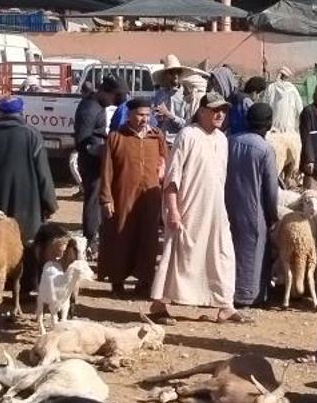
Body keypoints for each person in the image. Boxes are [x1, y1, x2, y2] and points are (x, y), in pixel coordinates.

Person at [150, 92, 236, 320]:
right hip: (187, 208)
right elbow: (172, 176)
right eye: (215, 109)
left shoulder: (222, 139)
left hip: (215, 209)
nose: (220, 114)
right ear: (202, 111)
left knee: (221, 253)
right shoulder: (187, 135)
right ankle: (159, 305)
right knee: (175, 254)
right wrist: (173, 210)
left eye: (223, 110)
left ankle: (225, 304)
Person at [98, 95, 167, 297]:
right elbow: (106, 171)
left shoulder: (157, 137)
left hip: (150, 198)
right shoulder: (116, 138)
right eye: (139, 115)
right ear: (129, 115)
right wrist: (106, 198)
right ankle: (117, 281)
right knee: (120, 236)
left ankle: (145, 282)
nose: (144, 119)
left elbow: (166, 163)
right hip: (122, 196)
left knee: (148, 238)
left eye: (147, 115)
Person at [0, 95, 58, 247]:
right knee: (26, 255)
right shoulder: (32, 135)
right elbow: (43, 174)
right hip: (27, 212)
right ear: (21, 112)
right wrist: (49, 204)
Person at [225, 102, 282, 312]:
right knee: (253, 249)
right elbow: (271, 187)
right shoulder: (264, 149)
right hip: (253, 206)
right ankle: (248, 295)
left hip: (226, 204)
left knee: (230, 248)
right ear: (268, 123)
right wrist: (273, 214)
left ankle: (226, 290)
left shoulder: (229, 141)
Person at [75, 78, 118, 257]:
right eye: (112, 96)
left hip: (97, 159)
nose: (113, 100)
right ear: (103, 92)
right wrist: (103, 151)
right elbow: (83, 141)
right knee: (93, 201)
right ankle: (91, 241)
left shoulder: (96, 106)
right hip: (91, 162)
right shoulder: (89, 109)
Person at [266, 67, 304, 136]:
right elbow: (300, 109)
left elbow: (265, 105)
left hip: (273, 128)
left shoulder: (271, 88)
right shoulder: (293, 90)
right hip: (289, 128)